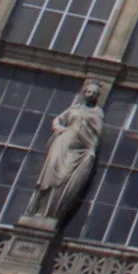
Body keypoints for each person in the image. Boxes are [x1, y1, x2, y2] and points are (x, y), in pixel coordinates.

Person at [28, 81, 105, 223]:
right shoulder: (74, 108)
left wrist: (91, 151)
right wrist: (60, 129)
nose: (91, 95)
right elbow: (58, 120)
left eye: (94, 93)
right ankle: (37, 208)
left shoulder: (97, 113)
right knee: (50, 173)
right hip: (62, 143)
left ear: (97, 97)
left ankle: (50, 211)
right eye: (89, 92)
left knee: (65, 179)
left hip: (81, 149)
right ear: (84, 93)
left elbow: (96, 133)